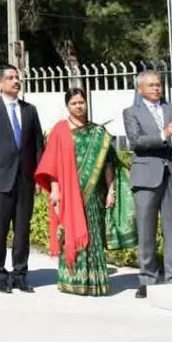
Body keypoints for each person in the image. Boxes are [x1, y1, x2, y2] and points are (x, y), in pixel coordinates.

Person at [34, 88, 137, 296]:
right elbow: (52, 165)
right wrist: (55, 190)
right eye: (74, 103)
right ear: (67, 106)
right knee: (70, 231)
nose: (78, 106)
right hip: (68, 192)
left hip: (94, 193)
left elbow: (109, 164)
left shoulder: (98, 132)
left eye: (81, 102)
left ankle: (95, 282)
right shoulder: (59, 131)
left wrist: (111, 191)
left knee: (94, 234)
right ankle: (72, 280)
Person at [0, 64, 44, 293]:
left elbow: (38, 146)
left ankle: (20, 274)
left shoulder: (29, 110)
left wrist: (39, 177)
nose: (16, 81)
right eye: (10, 78)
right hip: (0, 180)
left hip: (25, 179)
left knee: (22, 229)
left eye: (17, 77)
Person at [122, 70, 172, 299]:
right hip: (146, 176)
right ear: (140, 89)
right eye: (151, 85)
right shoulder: (131, 112)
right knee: (146, 229)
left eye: (158, 84)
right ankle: (147, 278)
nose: (156, 88)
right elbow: (136, 141)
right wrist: (163, 134)